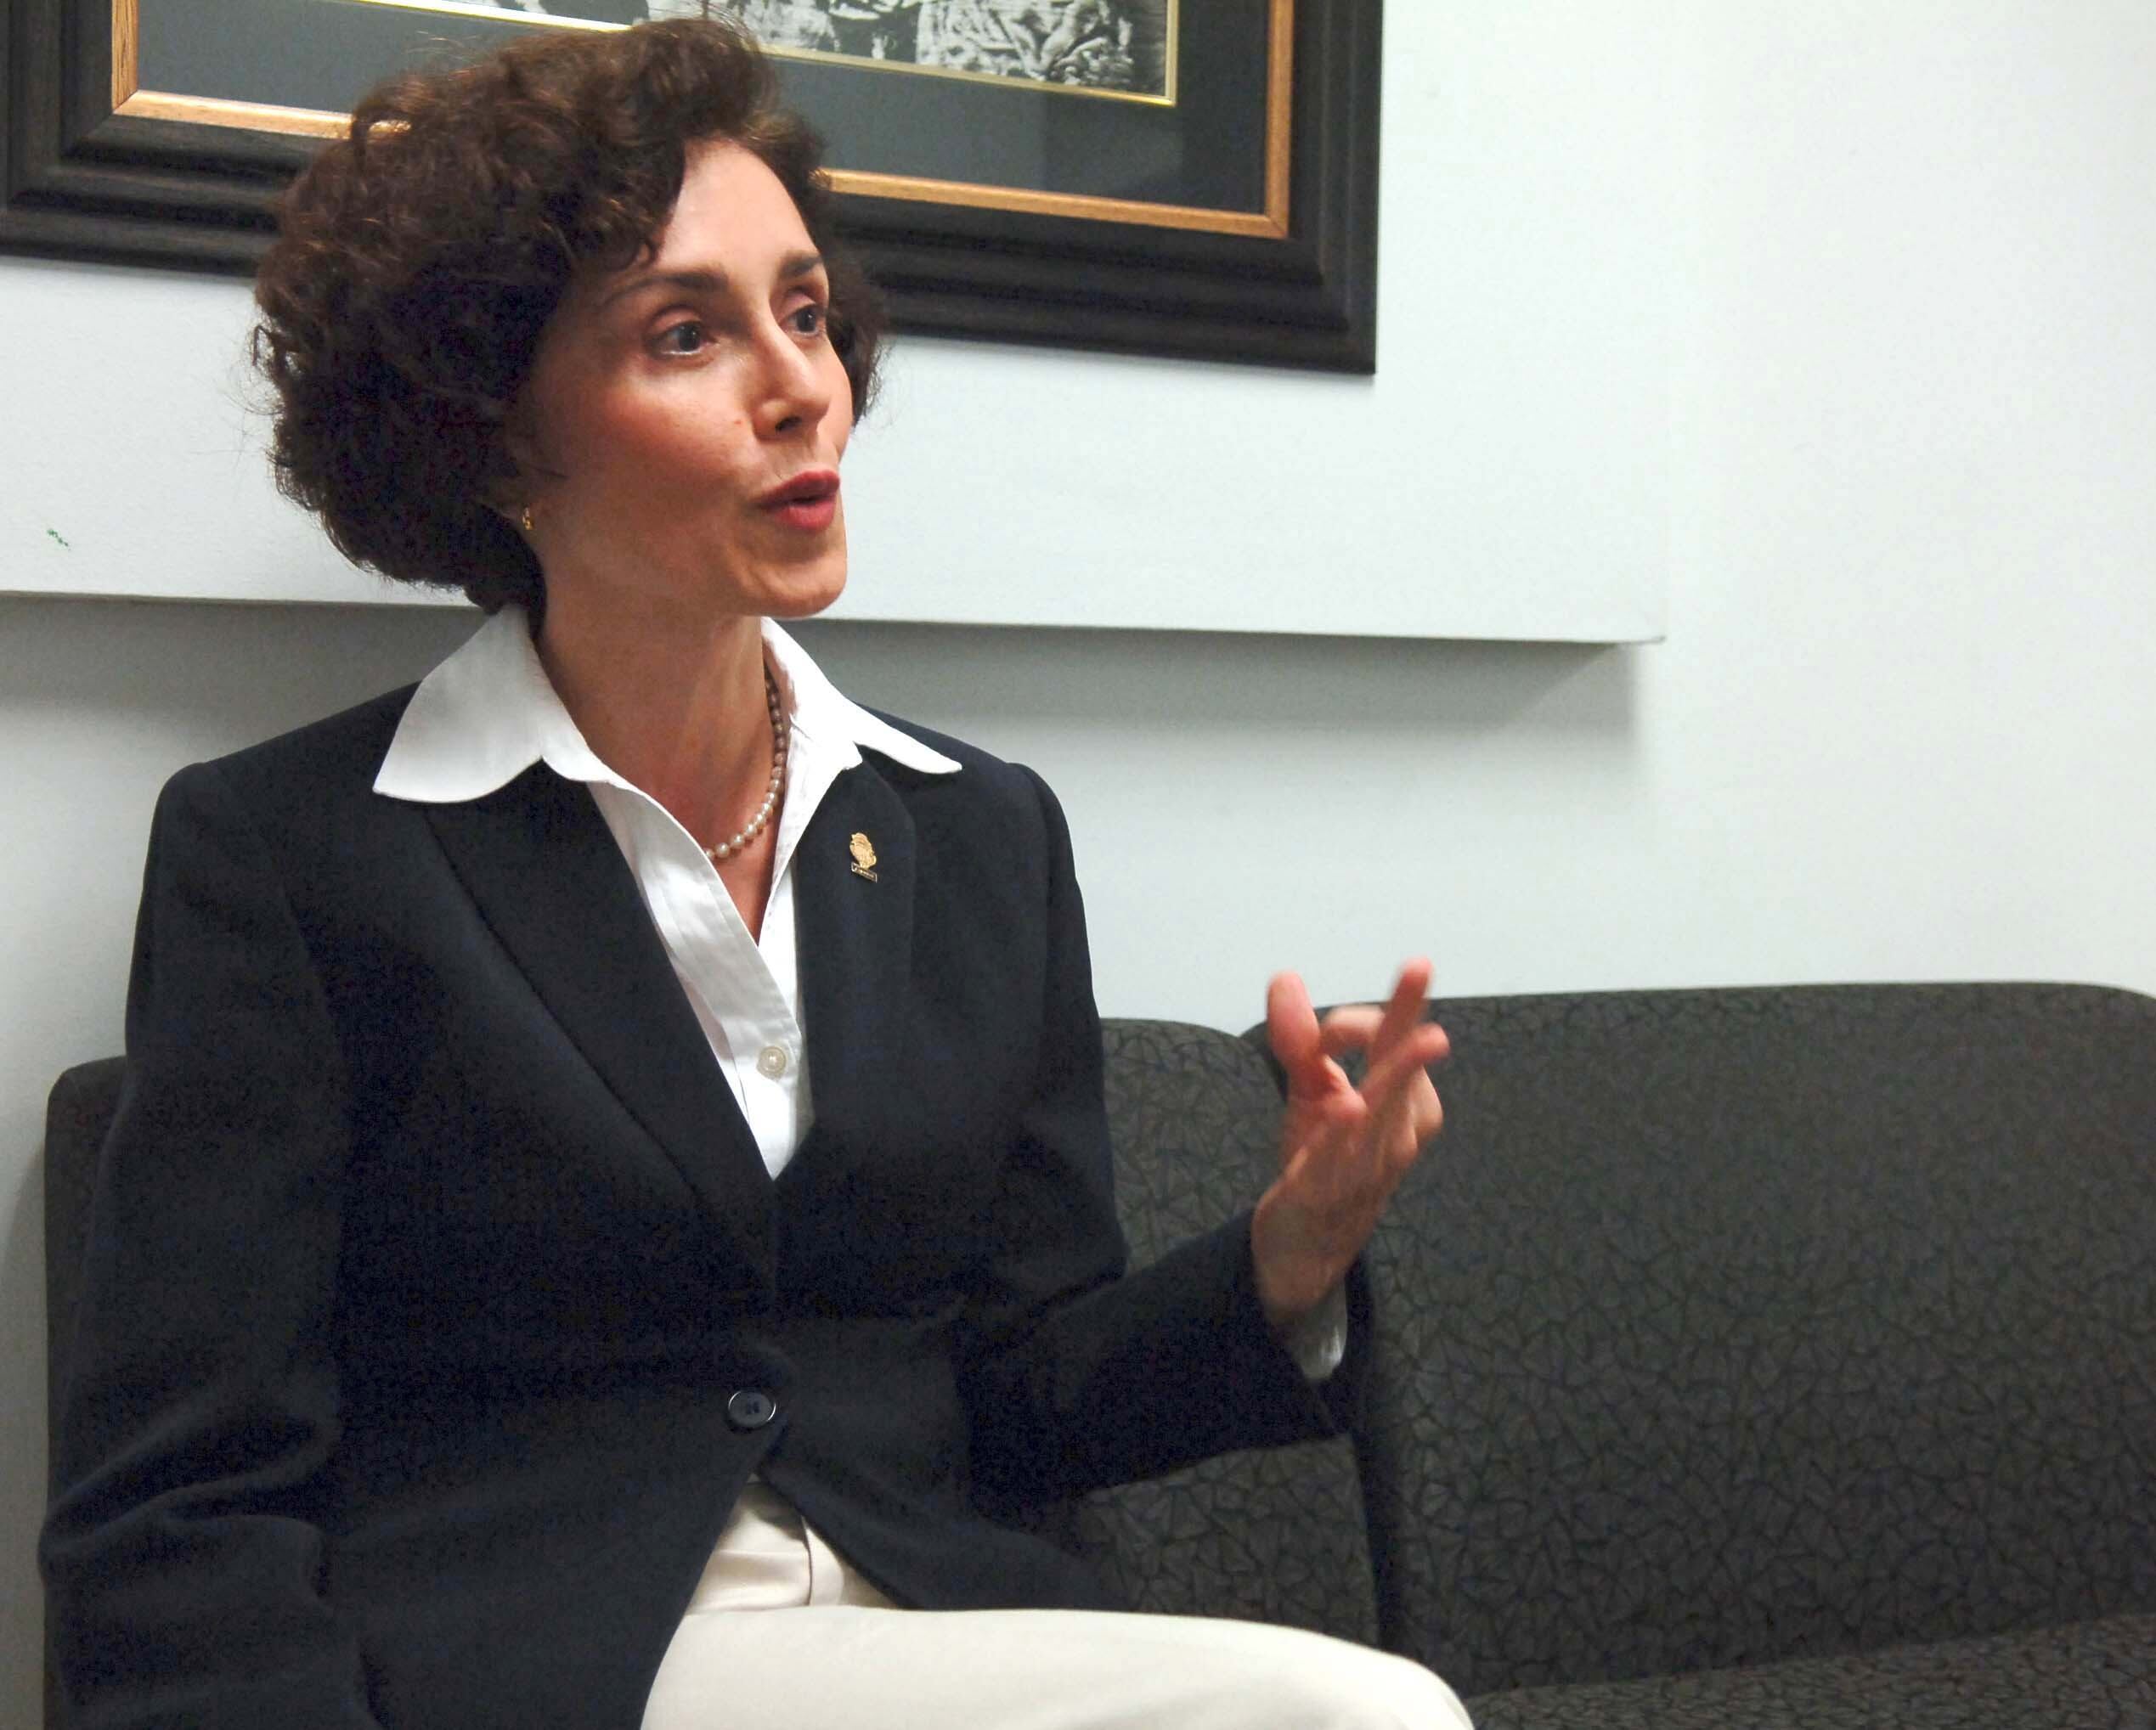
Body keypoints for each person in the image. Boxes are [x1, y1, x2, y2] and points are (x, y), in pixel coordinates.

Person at [39, 18, 1467, 1730]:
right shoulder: (294, 851)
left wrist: (1281, 1259)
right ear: (491, 438)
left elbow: (1025, 1398)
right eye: (687, 332)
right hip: (531, 1667)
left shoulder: (983, 833)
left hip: (930, 1628)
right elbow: (181, 1501)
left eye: (804, 311)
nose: (802, 385)